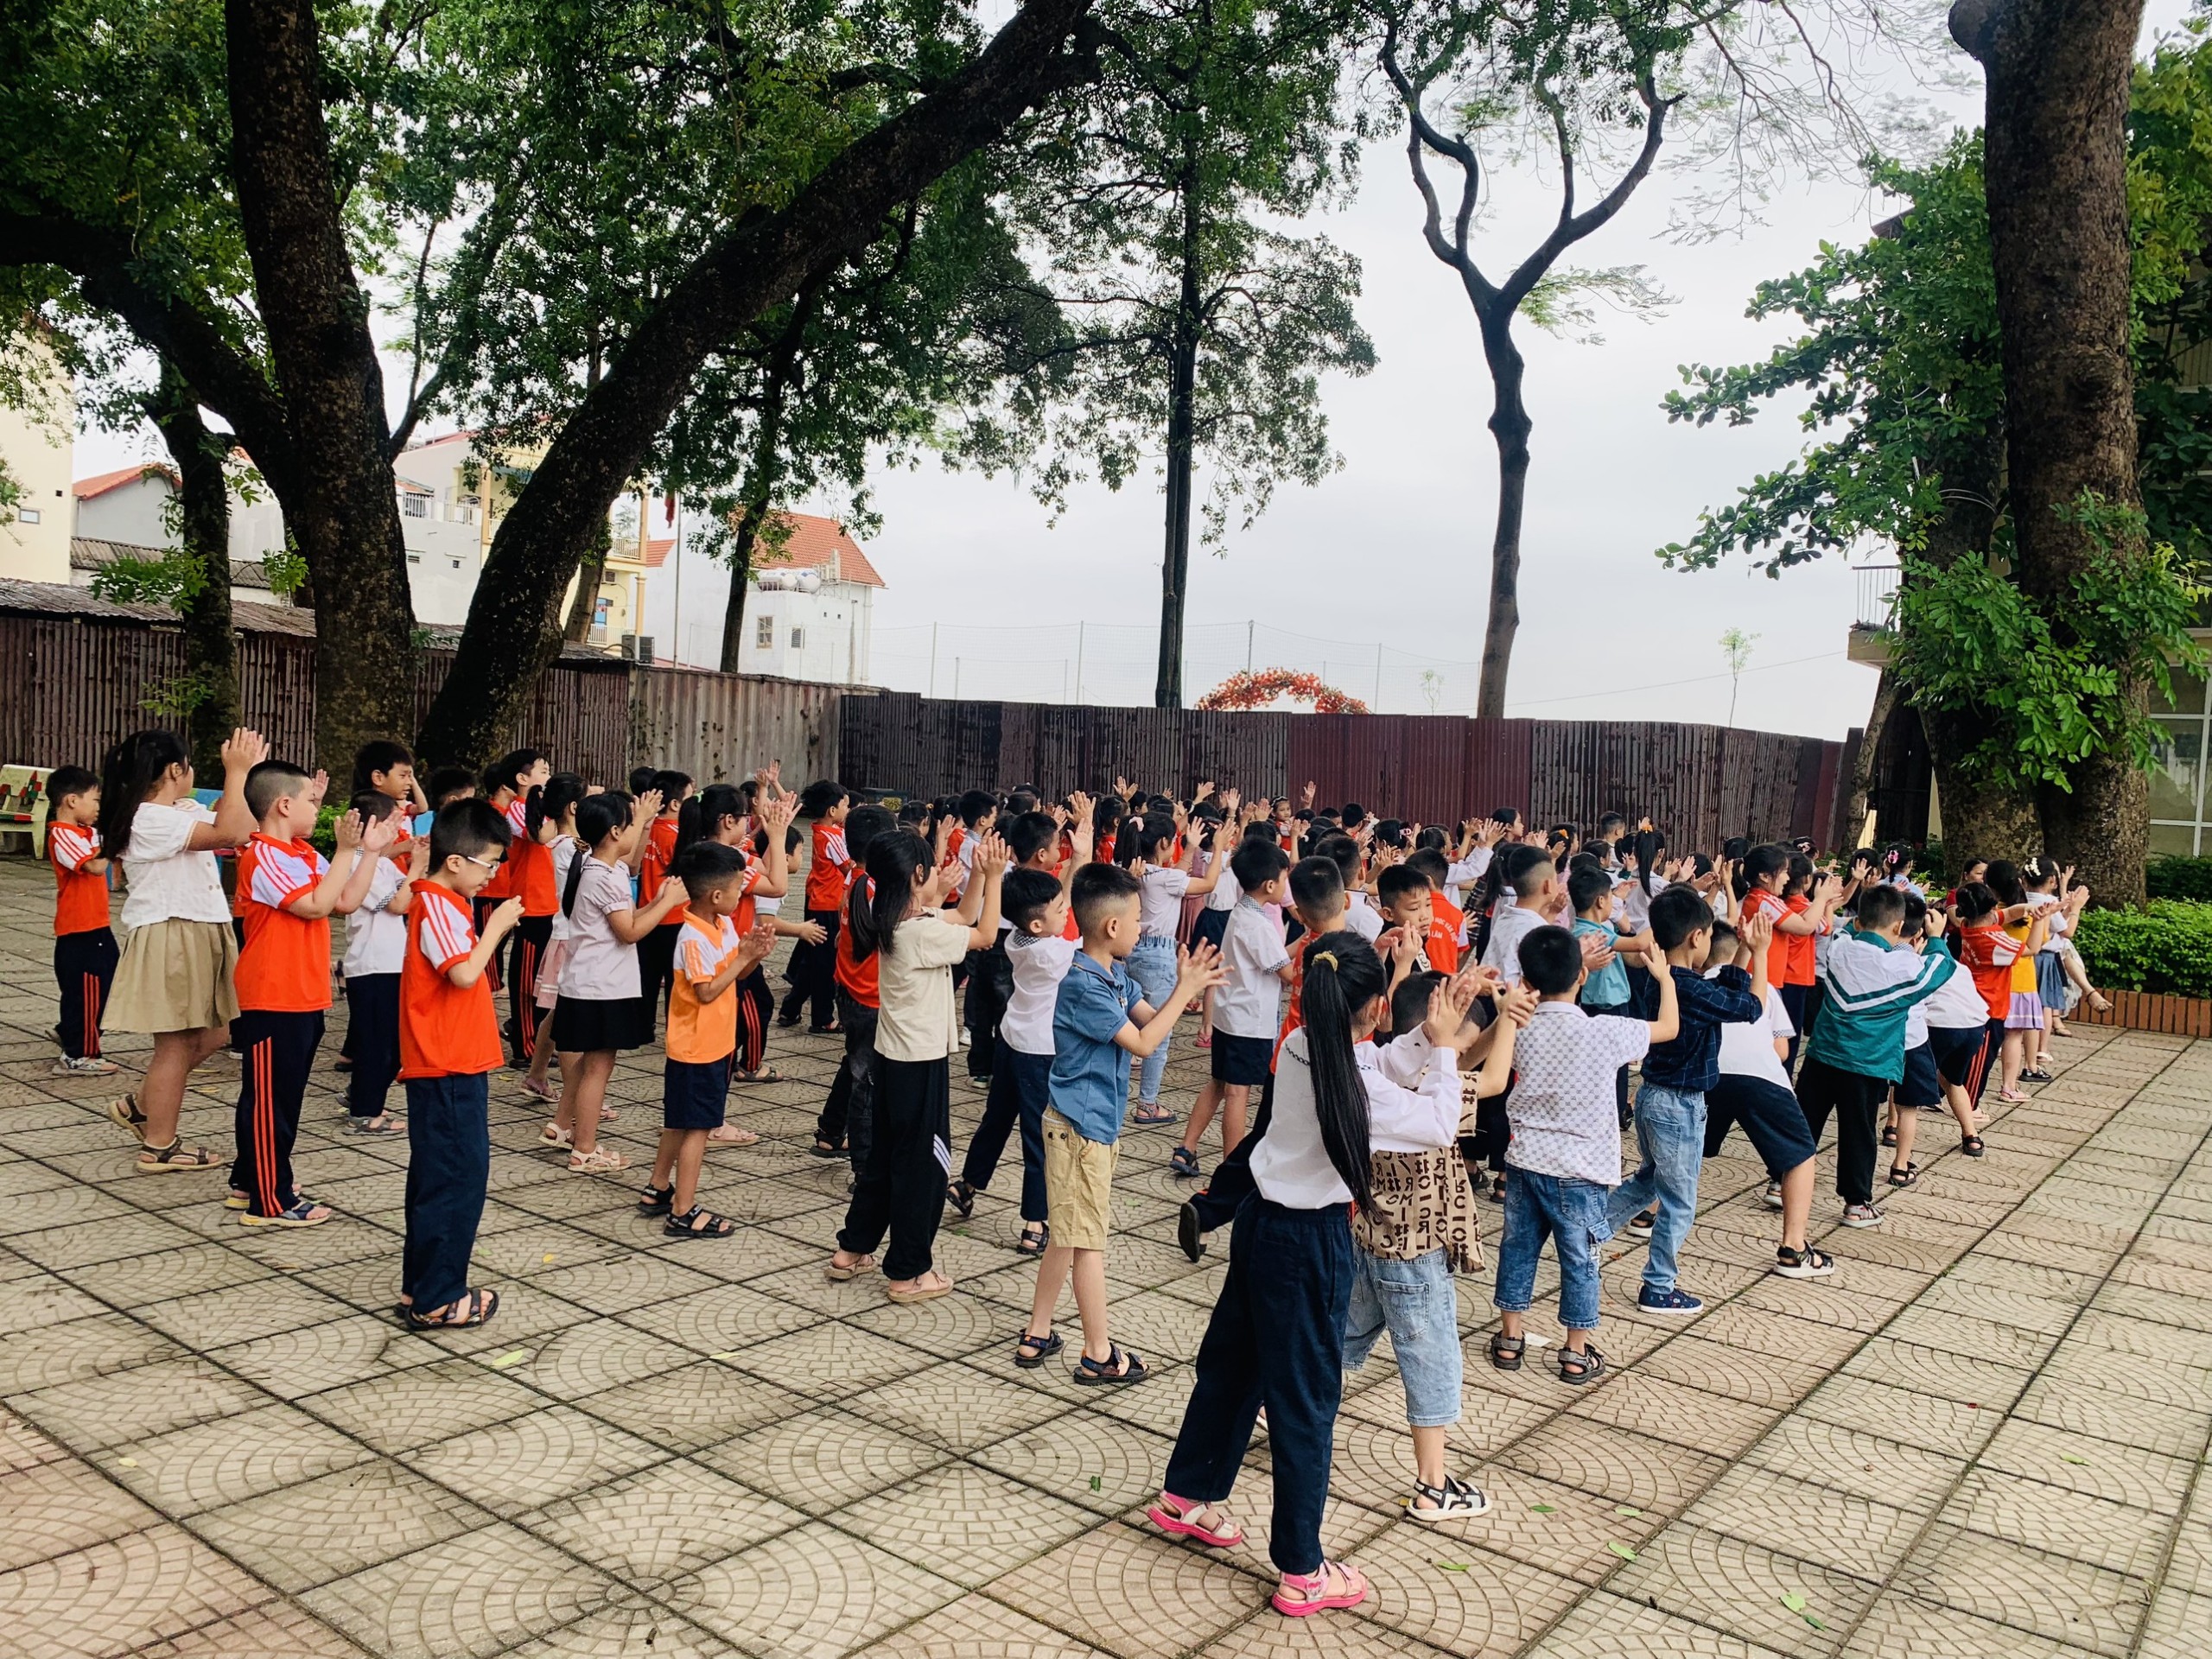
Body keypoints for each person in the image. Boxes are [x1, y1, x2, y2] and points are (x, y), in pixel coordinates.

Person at [1148, 934, 1450, 1618]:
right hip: (1309, 1244)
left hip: (1259, 1224)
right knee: (1307, 1402)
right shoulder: (1352, 1077)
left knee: (1233, 1368)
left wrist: (1426, 1038)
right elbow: (1437, 1123)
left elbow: (1374, 1059)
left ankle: (1186, 1495)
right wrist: (1448, 1049)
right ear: (1374, 1009)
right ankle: (1303, 1571)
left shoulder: (1297, 1047)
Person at [1019, 862, 1225, 1379]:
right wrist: (1186, 991)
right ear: (1112, 927)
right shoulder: (1083, 986)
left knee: (1067, 1232)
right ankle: (1098, 1354)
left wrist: (1184, 987)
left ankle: (1037, 1331)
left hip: (1087, 1127)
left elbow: (1152, 1021)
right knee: (1087, 1242)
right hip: (1080, 1132)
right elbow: (1144, 1044)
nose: (1142, 927)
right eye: (1137, 919)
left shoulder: (1113, 977)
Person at [1345, 967, 1527, 1516]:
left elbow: (1464, 1061)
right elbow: (1490, 1081)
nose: (1461, 1050)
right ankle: (1432, 1485)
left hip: (1371, 1239)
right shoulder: (1424, 1094)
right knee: (1431, 1359)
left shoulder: (1387, 1073)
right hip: (1415, 1255)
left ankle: (1270, 1404)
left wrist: (1491, 1022)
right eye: (1455, 1039)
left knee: (1339, 1337)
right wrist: (1507, 1022)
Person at [826, 826, 1007, 1303]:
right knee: (923, 1167)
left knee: (885, 1158)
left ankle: (852, 1249)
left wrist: (974, 878)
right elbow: (986, 934)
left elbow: (963, 916)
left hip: (893, 1059)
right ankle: (909, 1272)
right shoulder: (919, 931)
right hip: (918, 1064)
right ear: (917, 876)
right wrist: (995, 876)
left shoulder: (895, 919)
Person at [1492, 923, 1678, 1382]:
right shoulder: (1606, 1030)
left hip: (1525, 1160)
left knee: (1517, 1249)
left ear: (1527, 981)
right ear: (1582, 976)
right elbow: (1669, 1028)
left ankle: (1510, 1339)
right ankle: (1575, 1352)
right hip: (1581, 1170)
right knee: (1580, 1260)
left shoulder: (1518, 1027)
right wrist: (1666, 980)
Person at [225, 760, 392, 1225]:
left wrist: (369, 853)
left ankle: (250, 1178)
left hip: (302, 994)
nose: (318, 809)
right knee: (270, 1102)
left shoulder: (300, 853)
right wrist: (347, 850)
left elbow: (345, 901)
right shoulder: (264, 855)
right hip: (272, 995)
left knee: (281, 1096)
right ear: (284, 805)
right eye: (310, 801)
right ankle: (269, 1198)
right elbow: (316, 905)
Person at [100, 728, 266, 1175]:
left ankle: (142, 1105)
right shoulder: (148, 819)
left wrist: (243, 776)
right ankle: (159, 1146)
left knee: (218, 1032)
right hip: (172, 933)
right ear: (176, 769)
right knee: (175, 1046)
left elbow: (246, 828)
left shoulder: (179, 811)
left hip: (197, 929)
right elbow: (231, 831)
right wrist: (236, 772)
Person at [1605, 884, 1762, 1315]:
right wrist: (1761, 954)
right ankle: (1658, 1286)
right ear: (1697, 937)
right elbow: (1750, 1007)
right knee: (1679, 1201)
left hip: (1655, 1099)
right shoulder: (1688, 987)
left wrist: (1743, 952)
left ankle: (1586, 1234)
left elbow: (1728, 995)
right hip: (1678, 1105)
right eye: (1709, 935)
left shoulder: (1667, 980)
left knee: (1648, 1182)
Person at [397, 798, 521, 1327]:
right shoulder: (440, 905)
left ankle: (422, 1288)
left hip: (449, 1059)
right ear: (455, 862)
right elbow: (464, 974)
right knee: (456, 1180)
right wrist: (497, 928)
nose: (491, 875)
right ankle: (439, 1298)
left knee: (439, 1177)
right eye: (488, 864)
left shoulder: (438, 901)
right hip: (447, 1064)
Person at [951, 802, 1095, 1249]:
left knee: (996, 1119)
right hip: (1039, 1051)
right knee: (1039, 1135)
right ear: (1039, 921)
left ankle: (967, 1185)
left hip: (1012, 1041)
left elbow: (1058, 908)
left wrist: (1075, 861)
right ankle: (1035, 1221)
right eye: (1058, 910)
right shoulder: (1055, 953)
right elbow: (1080, 933)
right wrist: (1082, 862)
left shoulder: (1019, 937)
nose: (1064, 912)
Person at [1795, 882, 1963, 1229]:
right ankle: (1856, 1203)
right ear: (1900, 927)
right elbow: (1939, 970)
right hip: (1867, 1064)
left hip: (1822, 1055)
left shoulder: (1840, 948)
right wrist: (1935, 938)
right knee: (1858, 1133)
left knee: (1805, 1123)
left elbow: (1843, 931)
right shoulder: (1903, 966)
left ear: (1859, 921)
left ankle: (1780, 1183)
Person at [643, 841, 779, 1237]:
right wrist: (743, 958)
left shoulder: (721, 925)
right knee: (697, 1129)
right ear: (716, 896)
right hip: (696, 1048)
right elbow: (706, 991)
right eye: (738, 889)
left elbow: (734, 974)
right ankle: (683, 1210)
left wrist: (753, 954)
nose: (741, 895)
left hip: (714, 1043)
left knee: (679, 1121)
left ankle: (658, 1188)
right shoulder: (692, 937)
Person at [550, 790, 690, 1172]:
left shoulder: (604, 868)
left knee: (590, 1065)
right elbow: (629, 932)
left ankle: (566, 1128)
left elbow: (627, 915)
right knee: (598, 1067)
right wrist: (667, 903)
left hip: (594, 982)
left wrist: (657, 900)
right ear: (614, 832)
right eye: (630, 826)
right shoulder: (601, 875)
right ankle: (585, 1148)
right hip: (600, 986)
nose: (635, 833)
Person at [1699, 918, 1830, 1277]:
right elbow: (1782, 1050)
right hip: (1760, 1076)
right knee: (1800, 1155)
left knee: (1683, 1149)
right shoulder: (1764, 988)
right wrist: (1757, 950)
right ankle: (1794, 1247)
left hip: (1708, 1075)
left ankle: (1646, 1214)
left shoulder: (1694, 986)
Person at [1173, 839, 1293, 1178]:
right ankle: (1232, 1169)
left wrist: (1306, 939)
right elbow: (1285, 972)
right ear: (1269, 885)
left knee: (1218, 1083)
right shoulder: (1258, 925)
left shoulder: (1243, 912)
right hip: (1248, 1021)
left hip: (1231, 1015)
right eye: (1284, 879)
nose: (1286, 886)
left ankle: (1187, 1147)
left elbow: (1277, 957)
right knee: (1238, 1092)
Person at [1122, 812, 1218, 1125]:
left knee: (1124, 1028)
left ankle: (1118, 1095)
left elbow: (1173, 874)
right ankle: (1147, 1104)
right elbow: (1209, 883)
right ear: (1164, 843)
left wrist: (1189, 848)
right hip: (1158, 957)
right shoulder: (1166, 878)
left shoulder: (1130, 871)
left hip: (1129, 951)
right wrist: (1217, 847)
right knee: (1158, 1032)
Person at [814, 804, 895, 1167]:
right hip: (868, 996)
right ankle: (865, 1168)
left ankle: (831, 1131)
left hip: (849, 990)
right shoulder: (875, 887)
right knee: (868, 1081)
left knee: (856, 1063)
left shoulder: (855, 878)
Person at [340, 791, 423, 1136]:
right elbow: (397, 904)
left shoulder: (383, 863)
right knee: (378, 1046)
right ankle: (364, 1112)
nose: (398, 831)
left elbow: (411, 893)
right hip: (372, 965)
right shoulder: (359, 863)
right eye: (393, 824)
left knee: (391, 1044)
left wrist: (421, 864)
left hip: (389, 963)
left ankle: (362, 1095)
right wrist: (416, 867)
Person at [45, 766, 119, 1077]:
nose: (98, 807)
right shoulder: (62, 833)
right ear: (72, 801)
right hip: (81, 929)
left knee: (103, 980)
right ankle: (80, 1053)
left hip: (95, 925)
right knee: (89, 990)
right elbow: (94, 866)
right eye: (95, 800)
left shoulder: (84, 832)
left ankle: (69, 1030)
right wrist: (115, 838)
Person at [522, 773, 588, 1106]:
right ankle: (579, 1099)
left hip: (564, 935)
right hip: (572, 939)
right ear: (575, 807)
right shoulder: (575, 848)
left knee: (558, 1015)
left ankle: (537, 1076)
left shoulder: (563, 845)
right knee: (573, 1021)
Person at [778, 779, 852, 1032]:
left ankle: (790, 1009)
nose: (847, 810)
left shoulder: (824, 831)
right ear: (832, 810)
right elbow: (848, 868)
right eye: (844, 806)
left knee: (813, 962)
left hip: (817, 901)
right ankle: (823, 1019)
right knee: (824, 965)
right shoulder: (831, 837)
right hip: (827, 906)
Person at [633, 769, 692, 1033]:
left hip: (646, 914)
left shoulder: (646, 830)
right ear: (676, 804)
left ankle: (641, 1027)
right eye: (691, 798)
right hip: (674, 916)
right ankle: (675, 1030)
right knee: (675, 978)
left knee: (647, 977)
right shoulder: (678, 835)